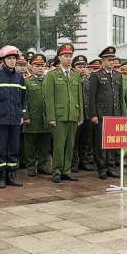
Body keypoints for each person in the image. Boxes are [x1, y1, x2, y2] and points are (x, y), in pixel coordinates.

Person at [43, 44, 85, 182]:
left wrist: (80, 116)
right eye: (65, 56)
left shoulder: (76, 75)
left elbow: (79, 96)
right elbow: (49, 98)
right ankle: (57, 171)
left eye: (70, 56)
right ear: (59, 58)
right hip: (59, 116)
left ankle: (66, 170)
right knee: (59, 145)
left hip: (73, 114)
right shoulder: (52, 75)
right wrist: (51, 116)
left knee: (70, 145)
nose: (68, 58)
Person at [0, 45, 25, 189]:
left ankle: (11, 175)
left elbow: (23, 98)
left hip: (15, 118)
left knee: (14, 147)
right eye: (9, 58)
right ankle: (2, 176)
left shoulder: (19, 78)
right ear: (3, 60)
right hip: (0, 118)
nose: (12, 61)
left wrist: (22, 114)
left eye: (14, 58)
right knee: (0, 147)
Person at [89, 46, 126, 179]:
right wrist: (93, 114)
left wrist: (122, 114)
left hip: (115, 114)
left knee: (112, 142)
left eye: (113, 60)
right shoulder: (96, 76)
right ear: (103, 60)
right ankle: (102, 168)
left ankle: (111, 167)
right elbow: (91, 97)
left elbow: (120, 97)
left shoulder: (118, 75)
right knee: (101, 143)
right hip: (101, 114)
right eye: (109, 60)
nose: (112, 62)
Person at [24, 53, 53, 177]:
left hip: (46, 118)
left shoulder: (49, 81)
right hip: (32, 118)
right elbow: (23, 100)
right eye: (37, 66)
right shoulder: (27, 81)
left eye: (42, 65)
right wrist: (26, 116)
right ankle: (30, 166)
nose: (40, 68)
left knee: (44, 144)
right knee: (30, 145)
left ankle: (42, 165)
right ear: (31, 67)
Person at [72, 56, 95, 172]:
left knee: (85, 140)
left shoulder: (88, 82)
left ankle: (83, 161)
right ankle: (74, 163)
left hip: (87, 115)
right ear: (74, 68)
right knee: (74, 141)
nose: (82, 69)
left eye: (84, 67)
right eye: (79, 67)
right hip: (76, 115)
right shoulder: (72, 81)